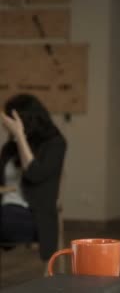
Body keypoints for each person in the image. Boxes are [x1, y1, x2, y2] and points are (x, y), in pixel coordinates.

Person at [0, 94, 66, 261]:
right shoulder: (9, 148)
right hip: (5, 208)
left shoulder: (56, 144)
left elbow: (34, 174)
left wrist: (20, 136)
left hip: (33, 215)